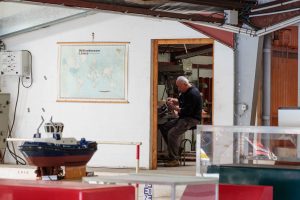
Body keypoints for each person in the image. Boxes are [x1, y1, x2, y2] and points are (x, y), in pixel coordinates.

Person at [159, 76, 202, 167]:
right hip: (184, 118)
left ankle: (174, 159)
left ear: (185, 84)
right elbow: (182, 101)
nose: (178, 88)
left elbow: (187, 111)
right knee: (164, 127)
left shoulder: (193, 94)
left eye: (179, 86)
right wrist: (174, 101)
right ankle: (175, 150)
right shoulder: (185, 92)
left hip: (191, 119)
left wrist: (174, 108)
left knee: (172, 133)